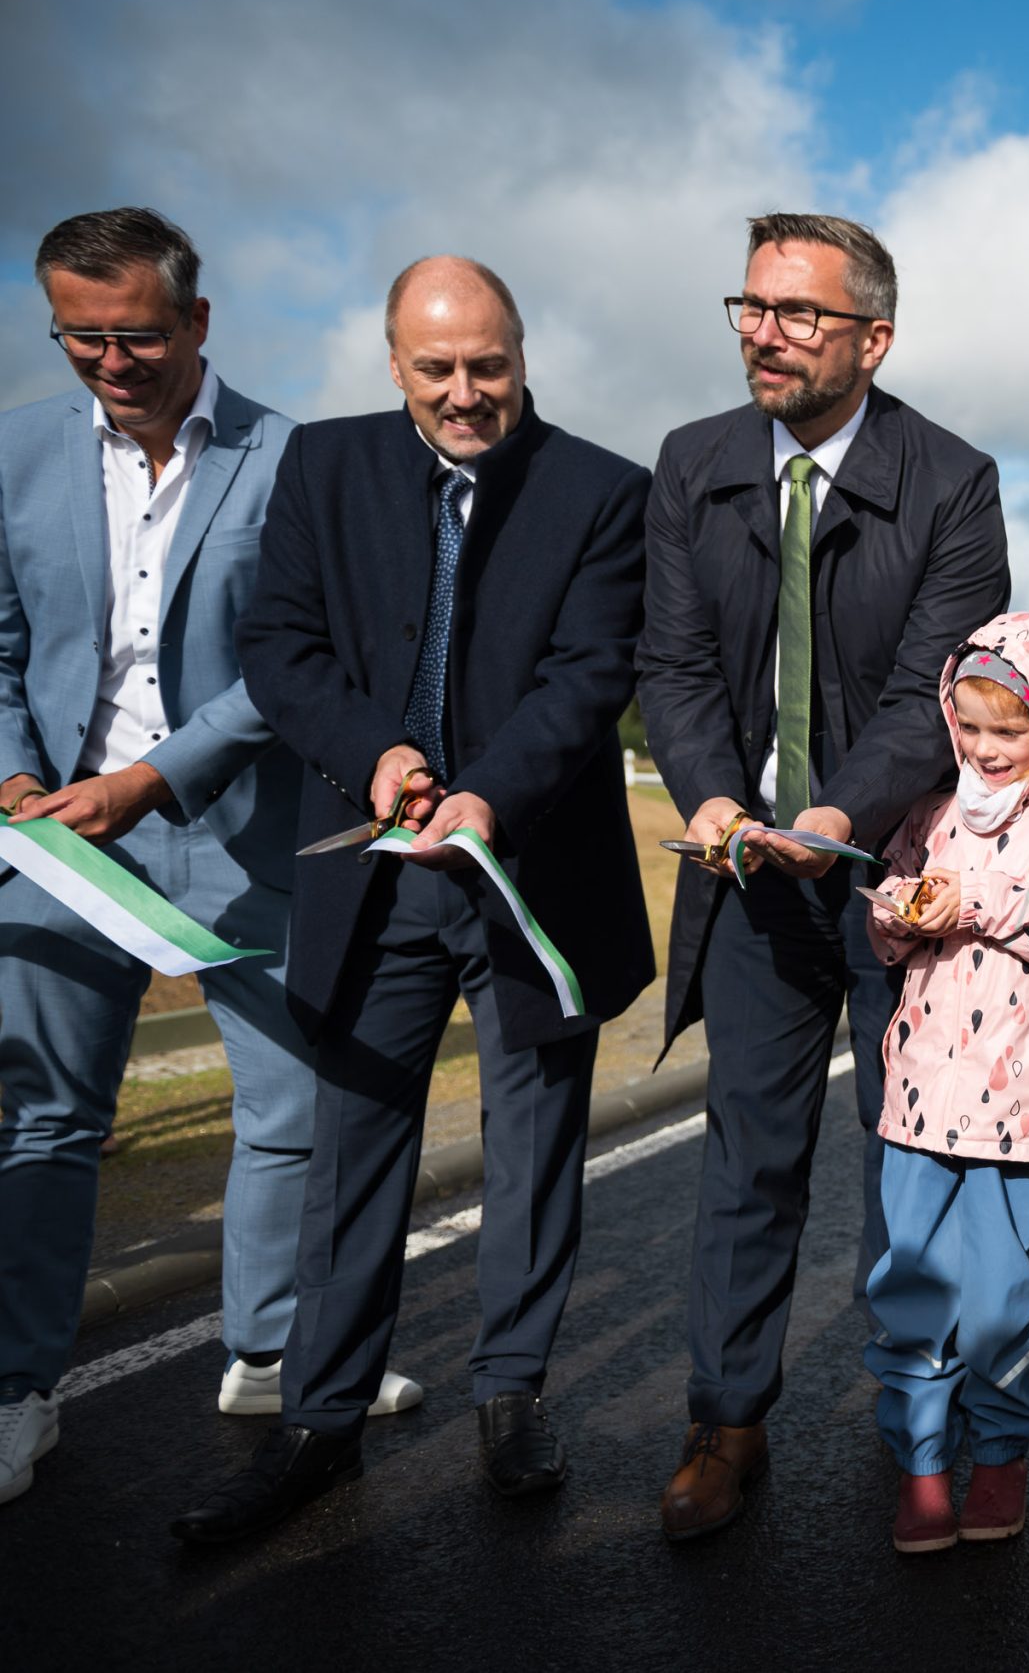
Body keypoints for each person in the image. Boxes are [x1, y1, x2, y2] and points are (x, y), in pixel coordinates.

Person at [170, 255, 653, 1542]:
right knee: (352, 1149)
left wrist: (482, 796)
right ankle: (320, 1423)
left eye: (486, 364)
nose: (462, 391)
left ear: (522, 354)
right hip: (372, 875)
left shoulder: (605, 491)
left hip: (526, 870)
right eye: (434, 367)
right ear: (392, 362)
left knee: (534, 1145)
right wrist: (373, 753)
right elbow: (281, 648)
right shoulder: (322, 468)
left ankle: (512, 1393)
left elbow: (586, 676)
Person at [0, 209, 419, 1510]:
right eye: (83, 338)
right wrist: (16, 774)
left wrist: (155, 777)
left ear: (196, 320)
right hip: (59, 843)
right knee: (43, 1123)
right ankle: (20, 1389)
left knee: (286, 1118)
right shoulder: (14, 447)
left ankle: (267, 1347)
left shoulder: (300, 460)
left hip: (238, 836)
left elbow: (298, 665)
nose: (111, 362)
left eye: (135, 334)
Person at [637, 213, 1009, 1541]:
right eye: (750, 306)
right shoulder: (689, 465)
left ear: (873, 338)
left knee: (910, 1162)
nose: (764, 333)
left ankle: (921, 1424)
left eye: (798, 313)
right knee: (747, 1160)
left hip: (893, 870)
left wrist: (844, 804)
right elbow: (671, 666)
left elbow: (943, 687)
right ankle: (725, 1422)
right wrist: (715, 797)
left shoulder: (955, 479)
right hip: (750, 877)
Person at [861, 613, 1029, 1554]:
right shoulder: (931, 812)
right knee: (913, 1290)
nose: (983, 749)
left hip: (1026, 1112)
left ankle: (1002, 1456)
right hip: (922, 1104)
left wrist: (976, 902)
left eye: (1007, 731)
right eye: (968, 725)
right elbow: (888, 923)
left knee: (1002, 1298)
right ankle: (924, 1467)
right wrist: (901, 911)